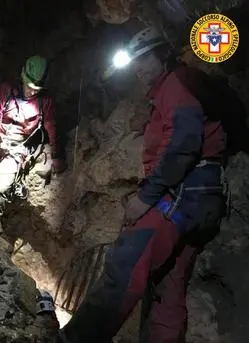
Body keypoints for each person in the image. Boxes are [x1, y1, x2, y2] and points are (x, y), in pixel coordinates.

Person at [55, 27, 228, 343]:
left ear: (163, 55)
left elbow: (184, 141)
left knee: (125, 264)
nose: (138, 68)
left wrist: (147, 197)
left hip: (182, 194)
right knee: (166, 287)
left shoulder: (177, 83)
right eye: (134, 62)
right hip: (204, 196)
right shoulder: (168, 90)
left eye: (144, 59)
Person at [0, 55, 66, 214]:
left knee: (3, 184)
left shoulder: (44, 101)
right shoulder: (7, 90)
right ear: (22, 77)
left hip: (17, 149)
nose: (31, 91)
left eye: (36, 89)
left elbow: (51, 127)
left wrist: (56, 154)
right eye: (29, 86)